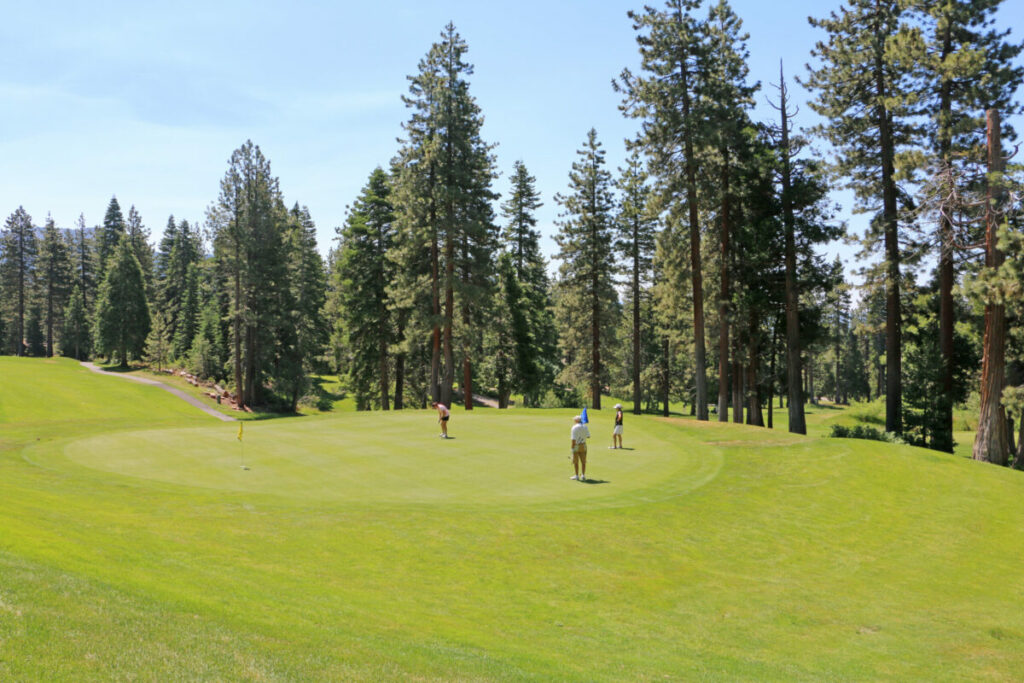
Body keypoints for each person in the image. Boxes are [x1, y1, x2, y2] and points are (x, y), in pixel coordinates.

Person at [570, 414, 590, 481]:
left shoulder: (574, 427)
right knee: (583, 461)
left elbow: (573, 440)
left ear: (576, 420)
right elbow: (588, 436)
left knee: (576, 461)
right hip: (583, 445)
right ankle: (583, 475)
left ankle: (576, 476)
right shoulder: (585, 427)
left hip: (576, 445)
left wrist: (572, 448)